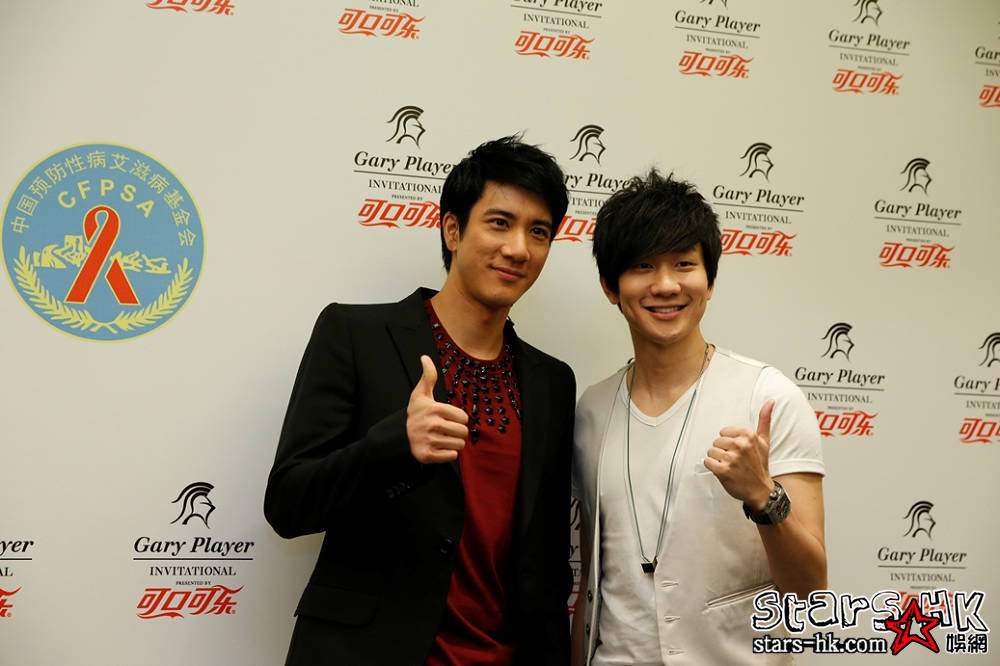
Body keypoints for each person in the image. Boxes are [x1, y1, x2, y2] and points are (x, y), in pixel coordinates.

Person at [265, 136, 576, 665]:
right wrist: (393, 445)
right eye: (499, 223)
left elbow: (546, 562)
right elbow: (288, 505)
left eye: (538, 232)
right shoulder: (355, 335)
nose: (518, 248)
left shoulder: (552, 381)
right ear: (453, 229)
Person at [571, 170, 827, 665]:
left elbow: (810, 591)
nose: (666, 285)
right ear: (610, 286)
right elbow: (592, 585)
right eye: (643, 266)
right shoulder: (592, 410)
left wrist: (763, 496)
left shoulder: (766, 397)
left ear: (709, 281)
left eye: (684, 264)